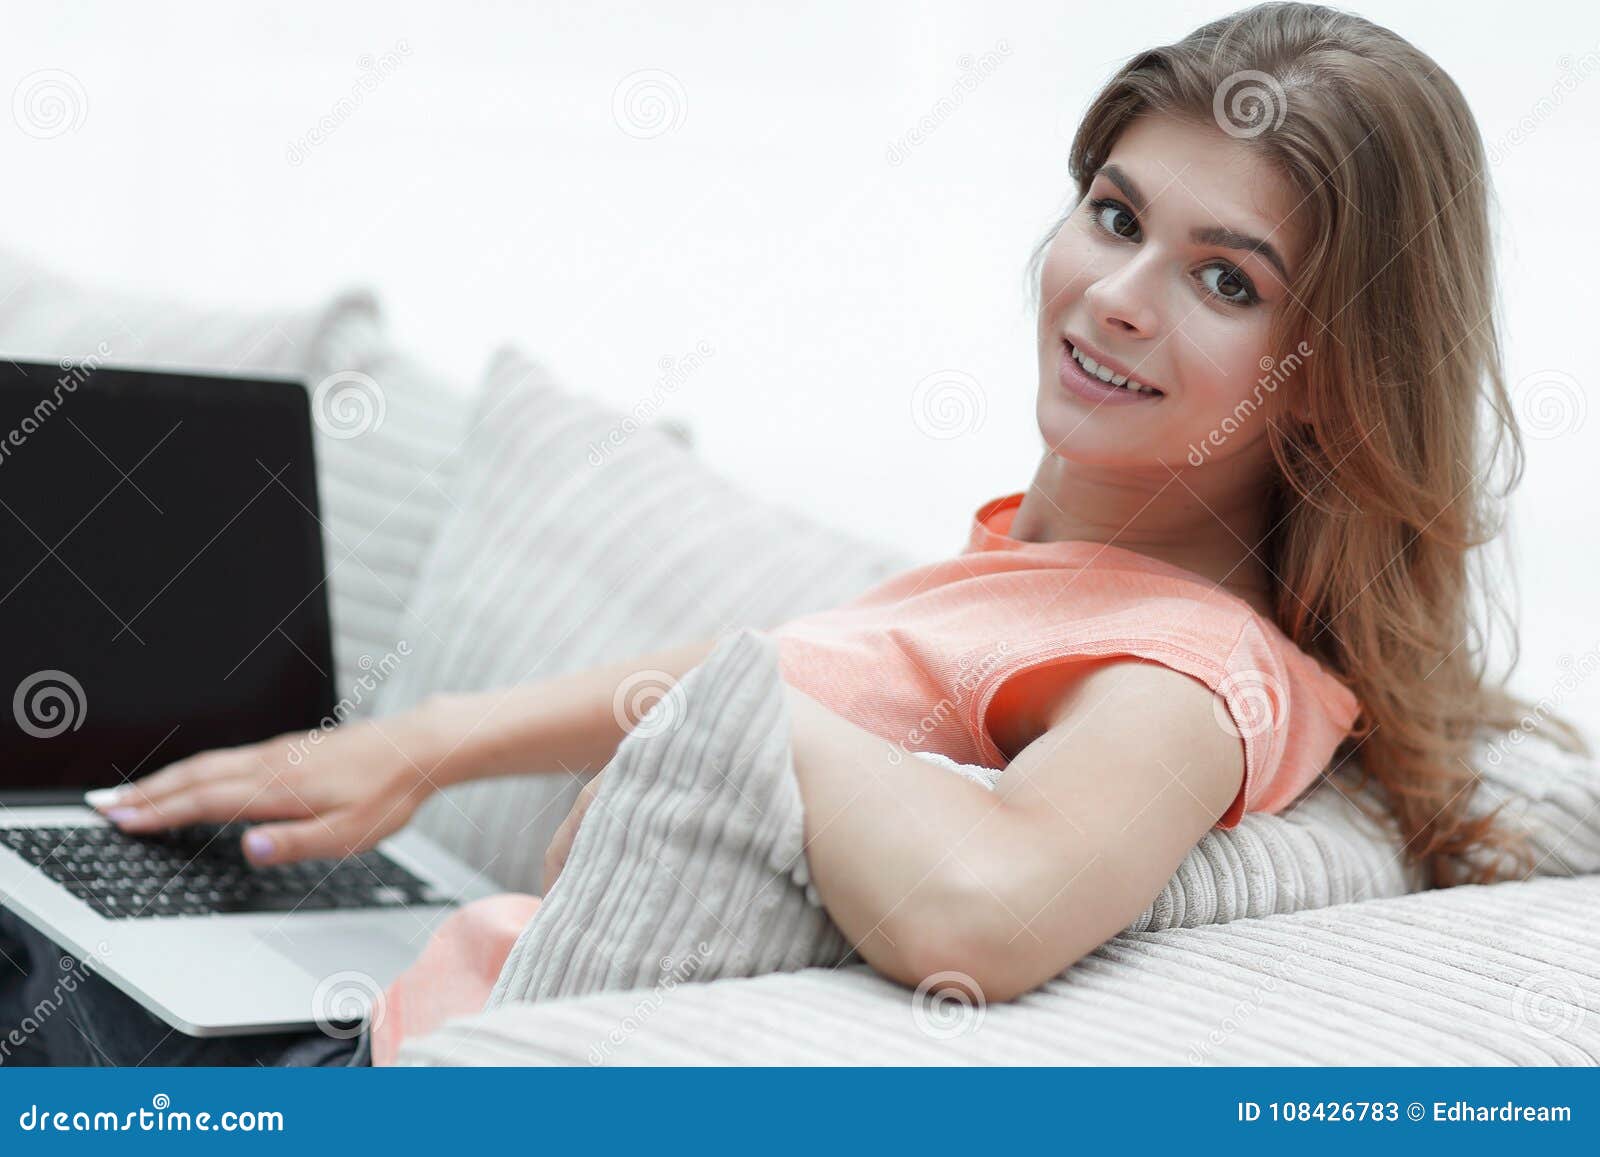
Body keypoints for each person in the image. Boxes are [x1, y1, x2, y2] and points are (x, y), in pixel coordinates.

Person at [6, 1, 1588, 1066]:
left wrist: (737, 713)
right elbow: (832, 677)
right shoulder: (1083, 574)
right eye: (1116, 214)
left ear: (1335, 384)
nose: (1117, 293)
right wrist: (428, 743)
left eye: (1225, 279)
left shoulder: (1179, 674)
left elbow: (982, 904)